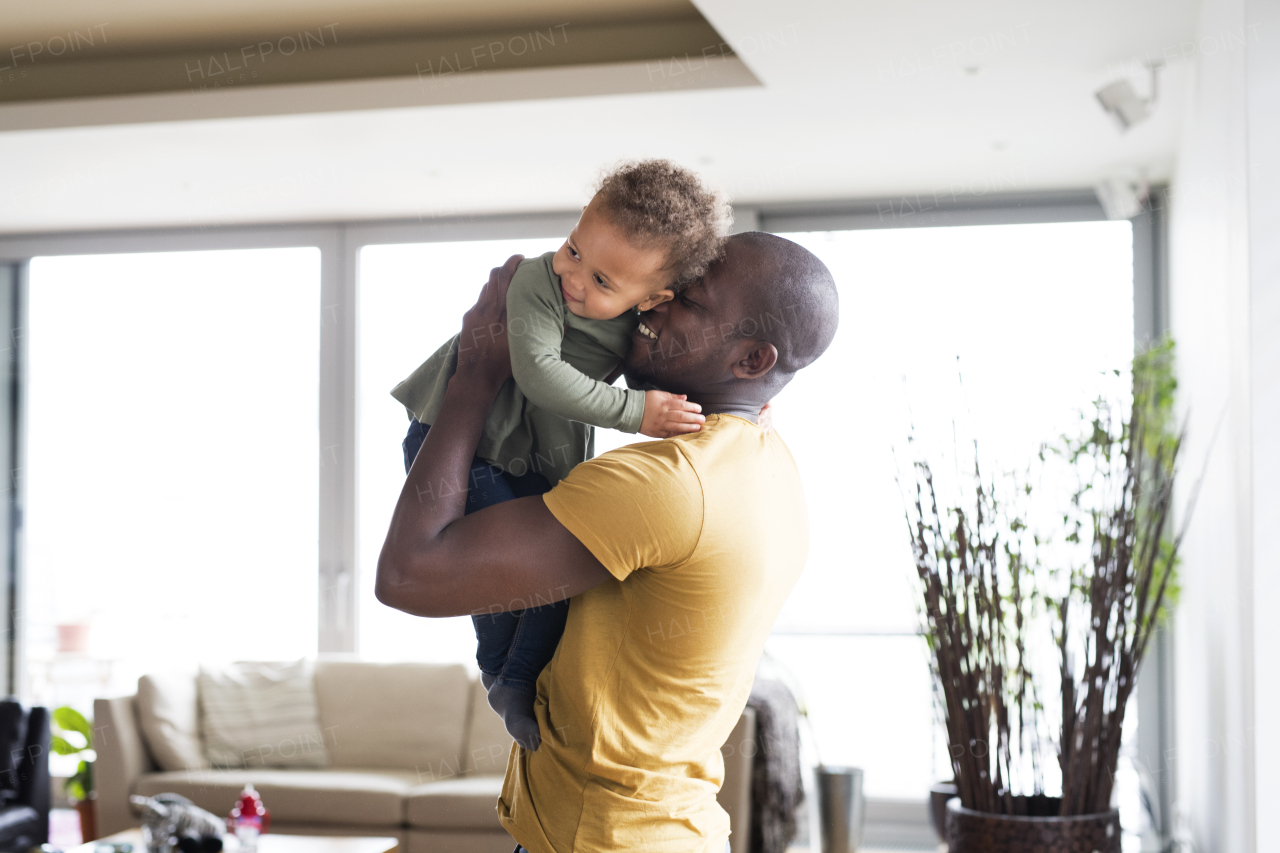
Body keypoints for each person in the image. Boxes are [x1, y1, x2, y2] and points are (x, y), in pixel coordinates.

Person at [376, 231, 839, 853]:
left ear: (753, 360)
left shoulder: (665, 486)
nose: (651, 303)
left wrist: (475, 378)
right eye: (663, 285)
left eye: (687, 301)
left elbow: (409, 575)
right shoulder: (768, 463)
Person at [392, 161, 731, 749]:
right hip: (461, 445)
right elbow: (539, 375)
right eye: (574, 250)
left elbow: (668, 371)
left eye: (603, 281)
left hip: (524, 455)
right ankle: (499, 669)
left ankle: (515, 678)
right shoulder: (534, 284)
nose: (574, 277)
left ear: (652, 297)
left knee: (554, 581)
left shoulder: (632, 327)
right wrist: (637, 414)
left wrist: (732, 407)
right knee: (492, 573)